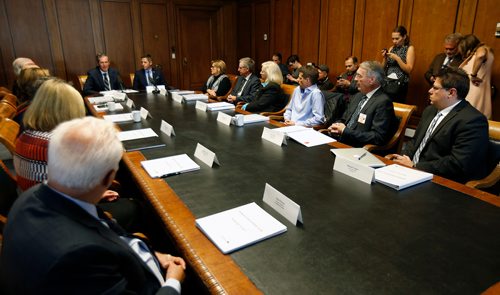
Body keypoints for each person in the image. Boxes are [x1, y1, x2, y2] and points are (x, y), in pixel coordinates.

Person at [2, 116, 186, 294]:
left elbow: (106, 231)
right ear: (108, 177)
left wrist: (152, 255)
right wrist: (174, 282)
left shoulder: (31, 198)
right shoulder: (81, 257)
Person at [13, 78, 139, 230]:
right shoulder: (56, 145)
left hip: (34, 208)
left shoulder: (25, 134)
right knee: (136, 205)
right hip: (60, 220)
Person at [386, 67, 489, 183]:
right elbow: (415, 142)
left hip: (440, 181)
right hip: (409, 172)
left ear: (451, 92)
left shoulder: (472, 120)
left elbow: (457, 163)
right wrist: (403, 160)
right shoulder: (430, 110)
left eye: (435, 88)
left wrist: (415, 166)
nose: (430, 91)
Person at [328, 61, 397, 147]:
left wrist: (345, 131)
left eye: (359, 76)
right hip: (341, 141)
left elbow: (378, 137)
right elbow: (344, 119)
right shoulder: (358, 95)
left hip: (358, 149)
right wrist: (336, 126)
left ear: (371, 80)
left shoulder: (383, 102)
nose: (355, 79)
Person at [459, 34, 494, 119]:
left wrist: (473, 75)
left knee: (468, 118)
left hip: (475, 89)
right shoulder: (477, 53)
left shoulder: (482, 49)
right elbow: (460, 68)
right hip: (476, 90)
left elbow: (481, 55)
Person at [382, 25, 415, 102]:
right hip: (388, 82)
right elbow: (383, 67)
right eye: (393, 39)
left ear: (404, 37)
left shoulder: (409, 48)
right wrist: (385, 58)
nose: (394, 41)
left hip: (400, 84)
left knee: (396, 109)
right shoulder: (392, 48)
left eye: (397, 39)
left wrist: (397, 58)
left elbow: (409, 70)